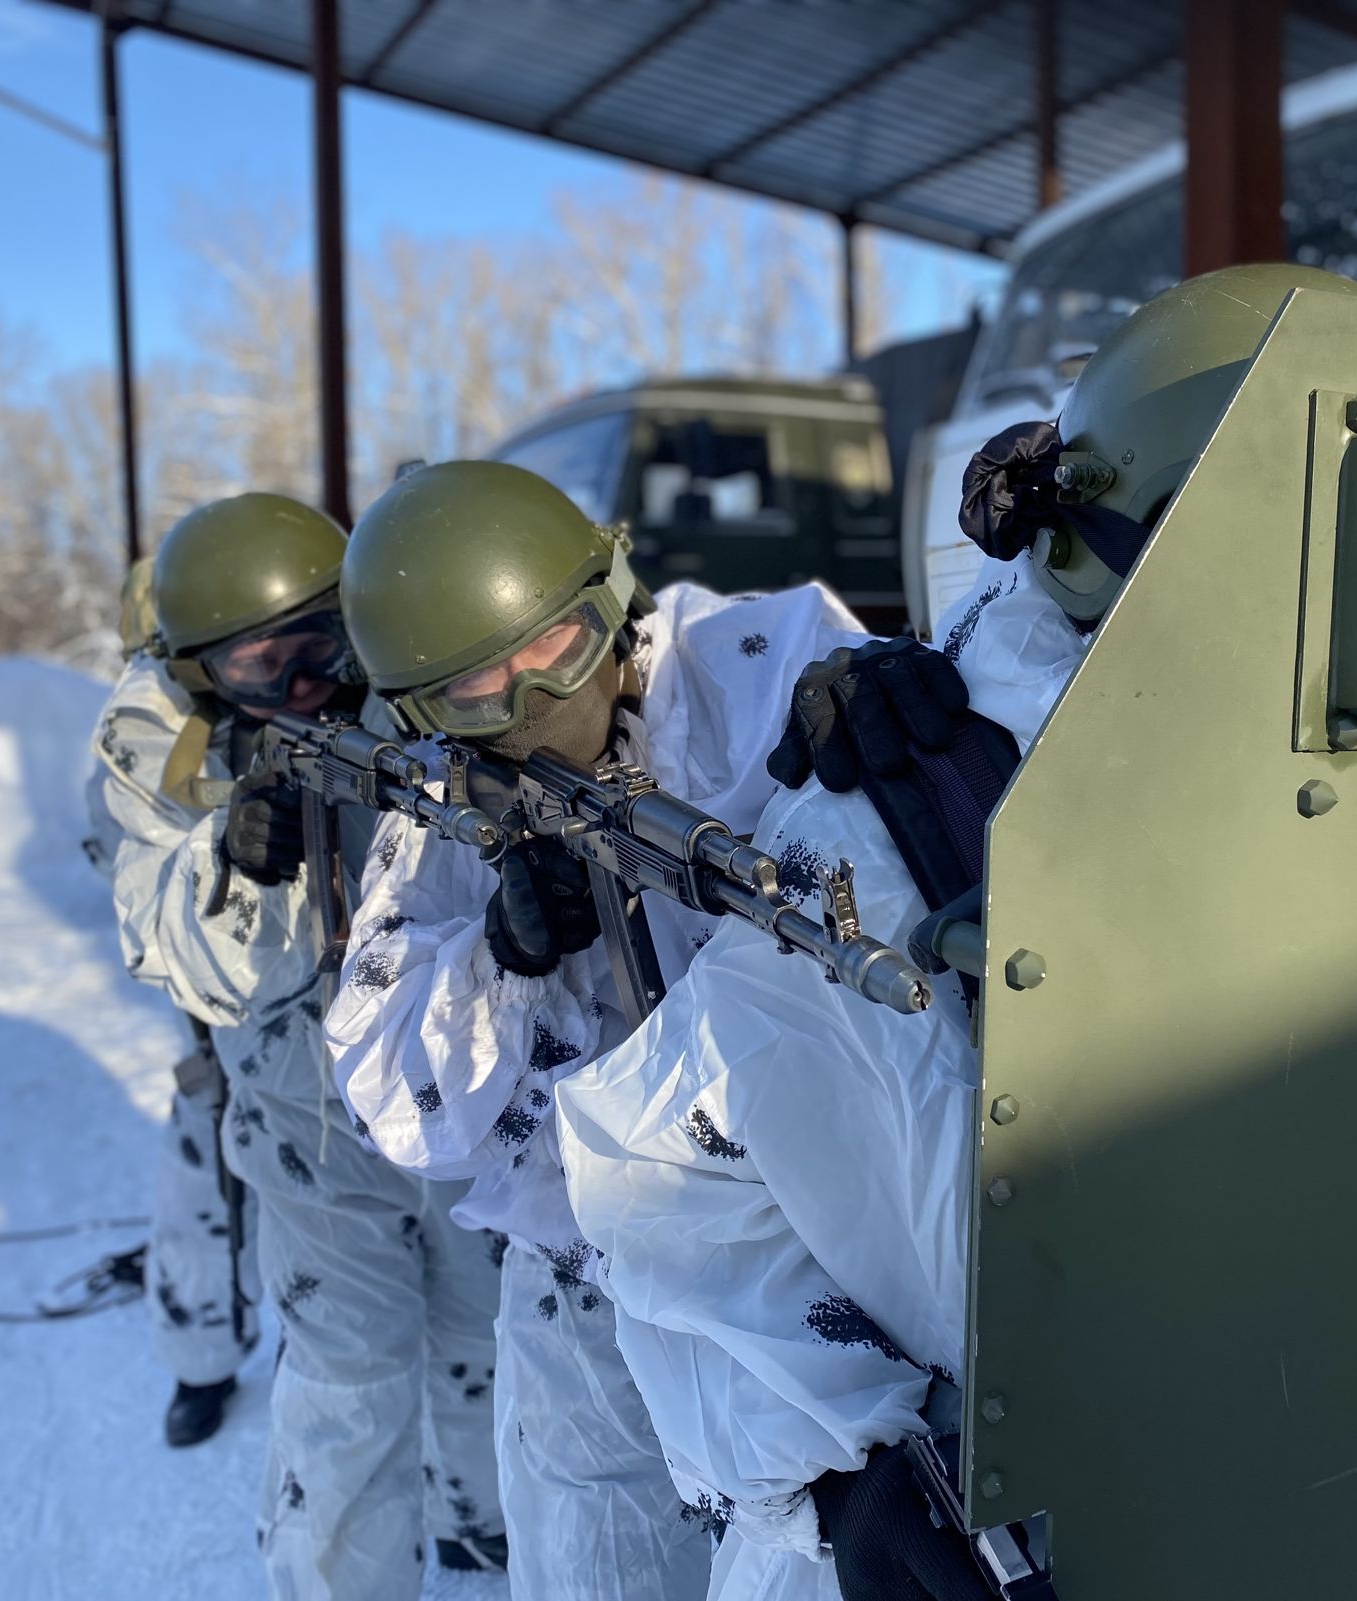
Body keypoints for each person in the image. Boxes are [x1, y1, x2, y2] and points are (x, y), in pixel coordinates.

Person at [553, 265, 1357, 1600]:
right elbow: (665, 1181)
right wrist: (848, 1481)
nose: (1315, 592)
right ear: (1101, 539)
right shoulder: (910, 809)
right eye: (1244, 530)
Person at [322, 460, 962, 1600]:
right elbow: (385, 1090)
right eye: (478, 689)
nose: (530, 700)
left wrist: (912, 701)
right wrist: (496, 964)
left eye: (556, 645)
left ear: (611, 592)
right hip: (591, 1280)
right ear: (422, 711)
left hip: (828, 1250)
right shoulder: (438, 816)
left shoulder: (759, 664)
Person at [97, 491, 508, 1599]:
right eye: (255, 667)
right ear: (198, 672)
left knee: (484, 1323)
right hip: (304, 1112)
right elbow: (163, 935)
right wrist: (232, 859)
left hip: (453, 1086)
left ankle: (476, 1514)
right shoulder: (163, 738)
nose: (302, 684)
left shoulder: (412, 674)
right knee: (348, 1371)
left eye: (320, 642)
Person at [83, 554, 258, 1450]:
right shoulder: (146, 720)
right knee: (204, 1174)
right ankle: (202, 1358)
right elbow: (125, 849)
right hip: (210, 996)